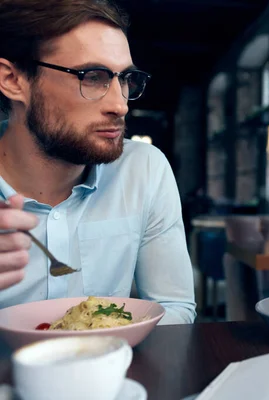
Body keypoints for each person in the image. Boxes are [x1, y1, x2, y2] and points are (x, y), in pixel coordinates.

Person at [0, 0, 196, 324]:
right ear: (12, 79)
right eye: (92, 76)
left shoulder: (142, 170)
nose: (120, 105)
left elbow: (173, 309)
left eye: (125, 80)